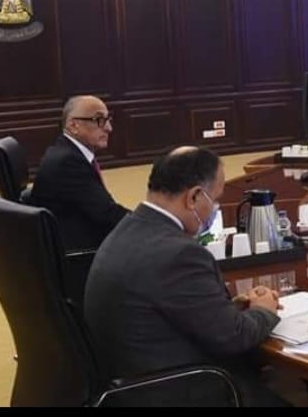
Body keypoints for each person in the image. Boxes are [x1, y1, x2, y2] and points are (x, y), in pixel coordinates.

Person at [85, 146, 284, 406]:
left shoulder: (129, 228)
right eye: (215, 200)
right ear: (194, 197)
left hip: (131, 385)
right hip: (180, 391)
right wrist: (264, 309)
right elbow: (233, 337)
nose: (215, 208)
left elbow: (167, 308)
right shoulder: (178, 254)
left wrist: (231, 307)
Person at [29, 95, 129, 251]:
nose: (109, 128)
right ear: (74, 125)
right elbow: (107, 214)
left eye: (108, 119)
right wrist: (150, 223)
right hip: (79, 252)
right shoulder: (68, 163)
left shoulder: (65, 151)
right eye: (99, 120)